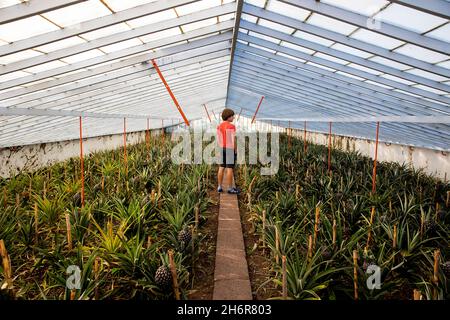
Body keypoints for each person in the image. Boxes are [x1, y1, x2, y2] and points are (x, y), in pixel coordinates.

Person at [217, 108, 240, 194]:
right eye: (232, 116)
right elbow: (232, 139)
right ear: (228, 117)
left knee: (221, 167)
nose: (233, 118)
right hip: (229, 149)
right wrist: (235, 150)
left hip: (222, 148)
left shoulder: (219, 126)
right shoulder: (231, 126)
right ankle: (230, 188)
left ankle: (219, 187)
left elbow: (219, 138)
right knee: (230, 169)